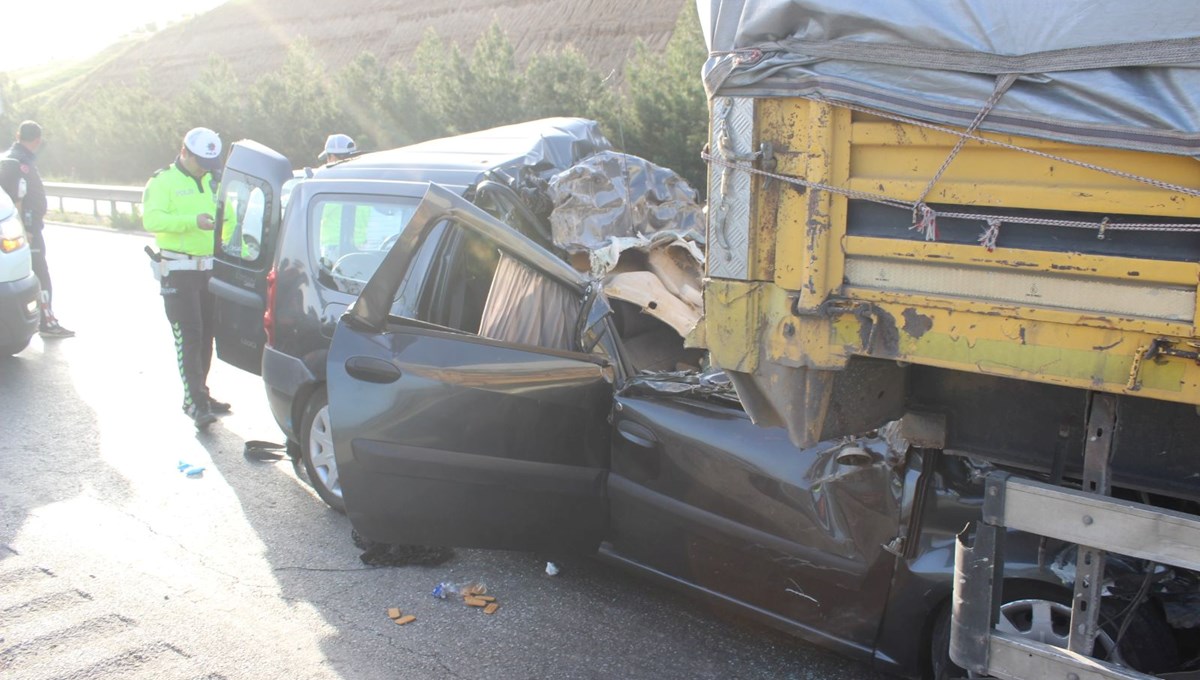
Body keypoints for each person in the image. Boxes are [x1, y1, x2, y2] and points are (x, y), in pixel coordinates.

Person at [142, 127, 229, 430]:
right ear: (185, 153)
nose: (205, 168)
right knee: (189, 335)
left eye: (210, 164)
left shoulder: (212, 181)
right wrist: (191, 222)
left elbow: (226, 219)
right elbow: (152, 220)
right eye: (201, 162)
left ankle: (200, 393)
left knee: (207, 335)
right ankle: (193, 401)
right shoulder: (162, 180)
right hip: (178, 270)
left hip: (209, 270)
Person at [0, 121, 74, 337]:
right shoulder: (19, 162)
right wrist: (28, 229)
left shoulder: (9, 157)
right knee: (40, 275)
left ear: (17, 134)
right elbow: (17, 199)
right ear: (38, 140)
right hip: (25, 232)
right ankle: (47, 322)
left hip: (17, 231)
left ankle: (37, 321)